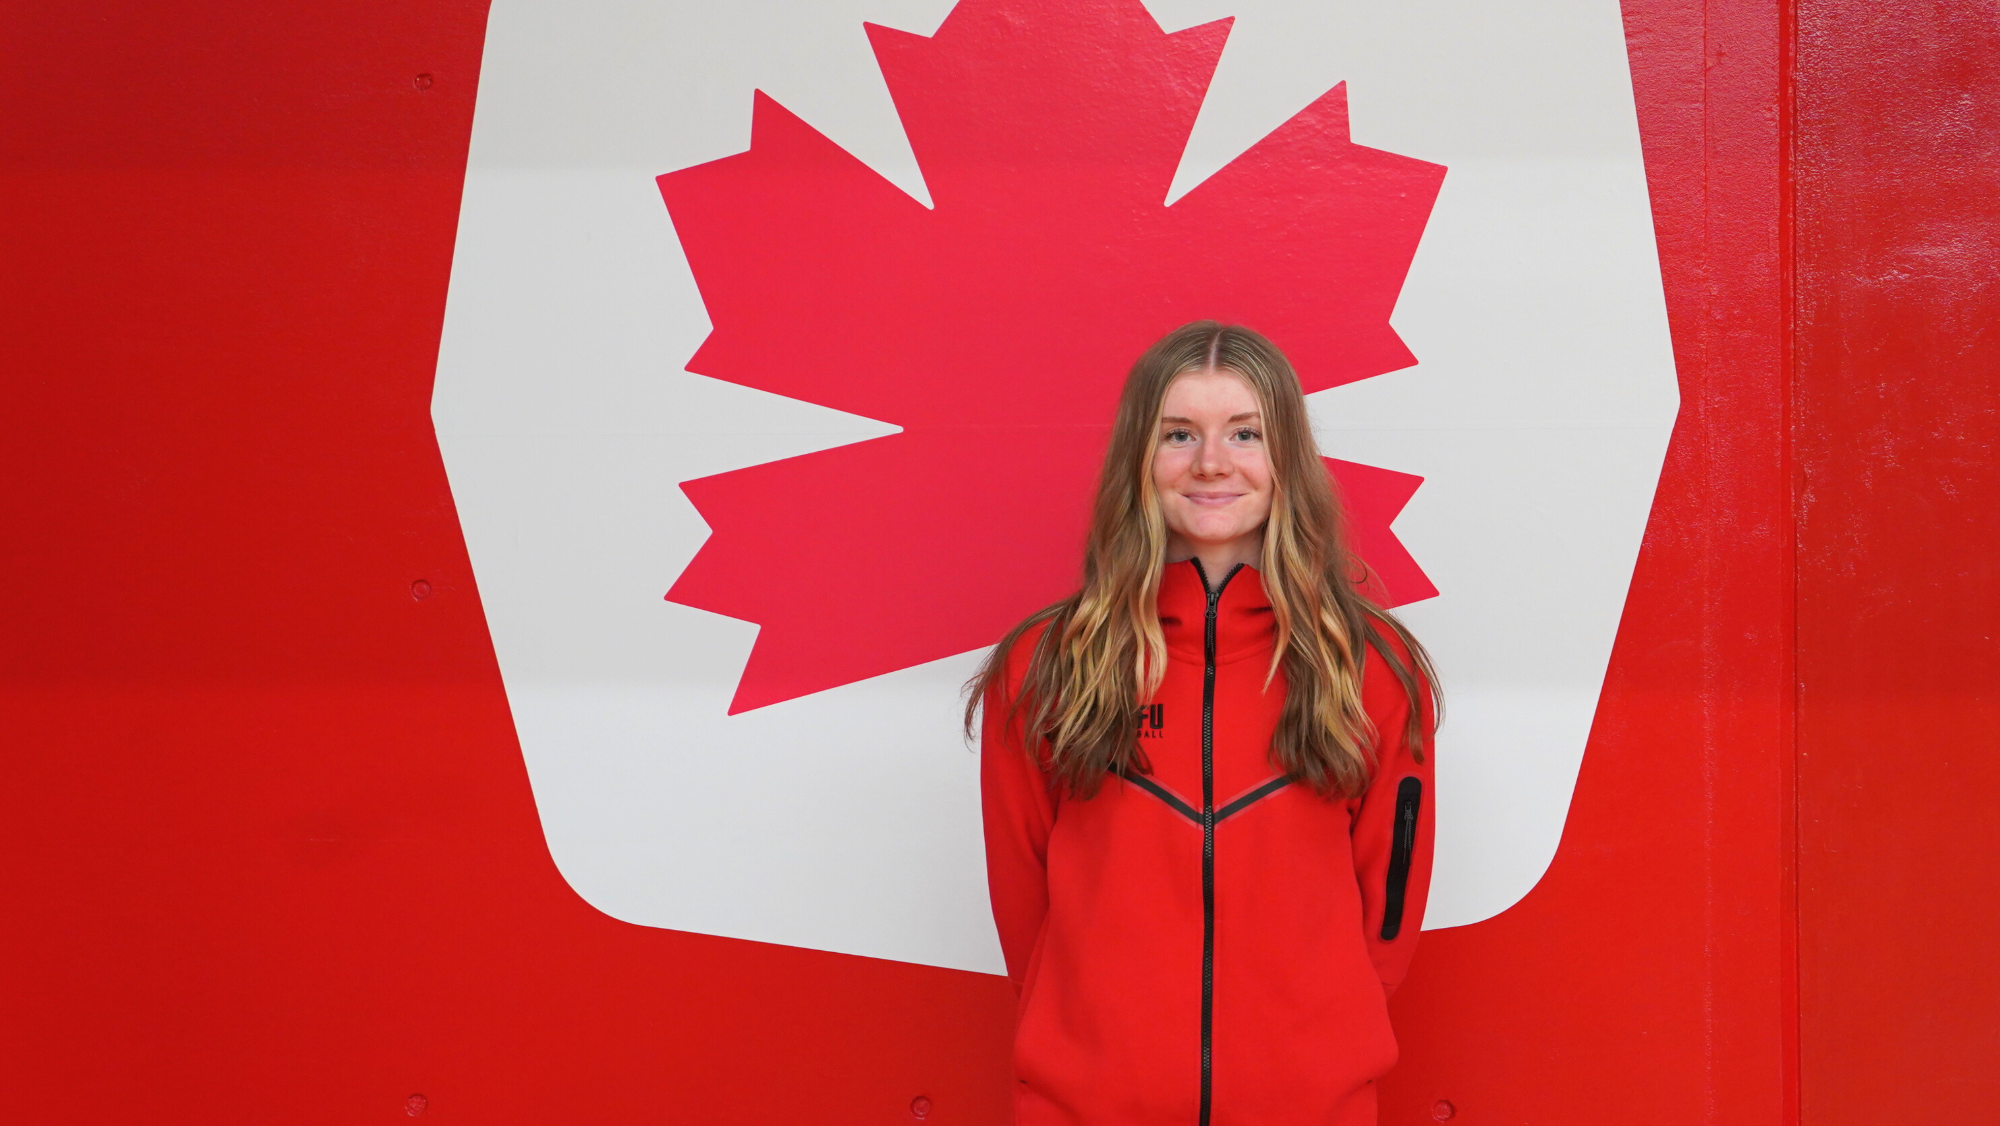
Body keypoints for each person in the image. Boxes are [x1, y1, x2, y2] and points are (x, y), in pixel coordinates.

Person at [968, 321, 1439, 1126]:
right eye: (1179, 434)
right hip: (1087, 1107)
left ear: (1285, 455)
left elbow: (1387, 910)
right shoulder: (1047, 663)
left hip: (1309, 1107)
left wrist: (1310, 1055)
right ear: (1138, 460)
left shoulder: (1370, 664)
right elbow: (1026, 909)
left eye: (1245, 433)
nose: (1211, 463)